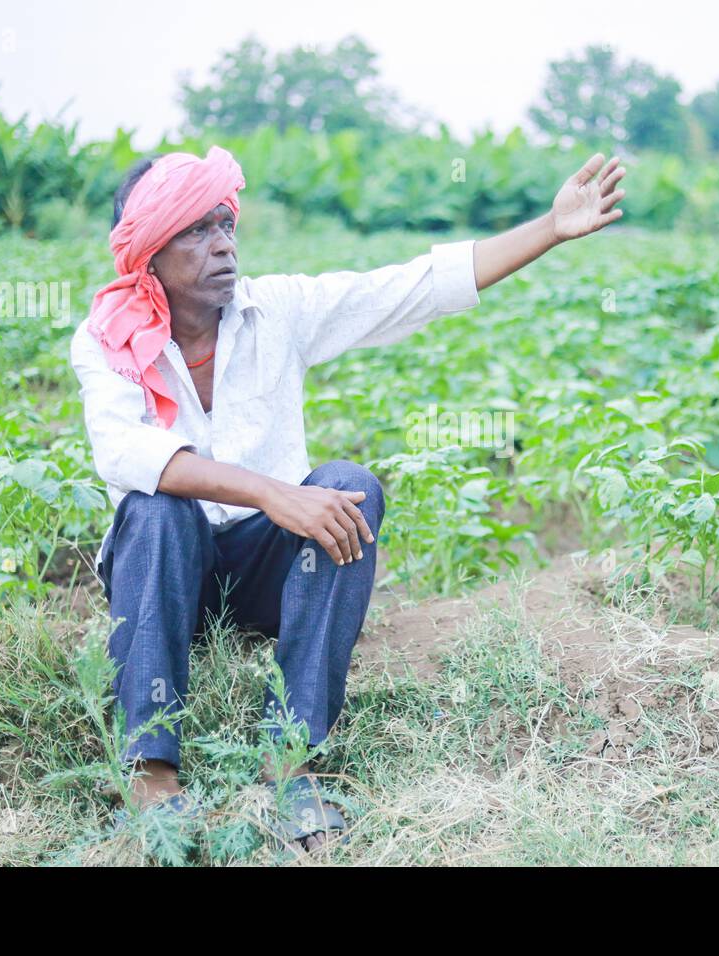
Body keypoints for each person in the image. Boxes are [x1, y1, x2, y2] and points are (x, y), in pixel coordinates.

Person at [70, 144, 625, 850]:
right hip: (164, 583)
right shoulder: (106, 341)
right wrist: (274, 493)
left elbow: (415, 285)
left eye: (226, 224)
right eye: (196, 230)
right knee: (154, 508)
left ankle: (289, 764)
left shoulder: (279, 311)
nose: (222, 245)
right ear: (149, 249)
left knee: (348, 491)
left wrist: (549, 228)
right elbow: (127, 454)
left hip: (265, 577)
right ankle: (152, 775)